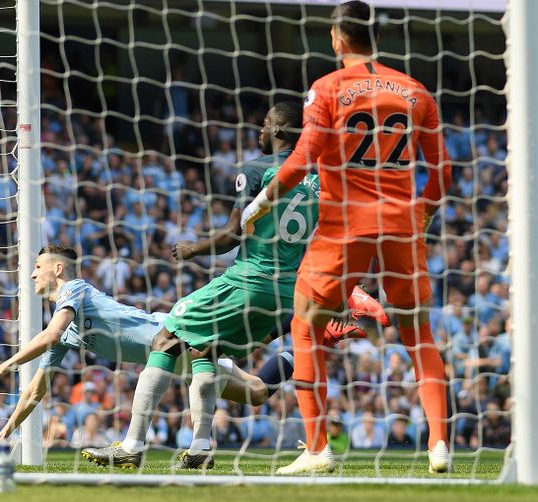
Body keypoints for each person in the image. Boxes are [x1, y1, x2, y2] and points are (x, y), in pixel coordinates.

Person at [83, 103, 386, 470]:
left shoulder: (259, 170)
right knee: (204, 351)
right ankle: (201, 446)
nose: (259, 131)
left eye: (264, 124)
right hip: (288, 291)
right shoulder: (321, 177)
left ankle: (131, 444)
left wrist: (193, 248)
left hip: (249, 279)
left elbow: (231, 234)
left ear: (278, 130)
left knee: (167, 338)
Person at [241, 1, 452, 474]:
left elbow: (300, 160)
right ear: (373, 35)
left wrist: (259, 204)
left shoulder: (328, 88)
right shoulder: (415, 91)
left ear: (337, 38)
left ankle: (317, 448)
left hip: (345, 227)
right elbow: (443, 170)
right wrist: (425, 215)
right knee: (419, 335)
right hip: (400, 225)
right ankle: (439, 445)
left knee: (305, 327)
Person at [0, 245, 375, 455]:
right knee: (255, 393)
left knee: (254, 334)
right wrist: (2, 434)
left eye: (36, 268)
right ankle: (322, 334)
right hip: (169, 363)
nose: (31, 275)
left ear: (56, 269)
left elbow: (50, 335)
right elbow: (36, 391)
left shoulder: (75, 290)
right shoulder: (69, 330)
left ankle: (334, 299)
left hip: (175, 336)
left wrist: (3, 366)